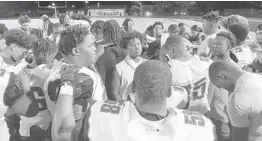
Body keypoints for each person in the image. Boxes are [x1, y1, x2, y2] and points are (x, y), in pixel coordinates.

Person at [53, 60, 216, 141]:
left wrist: (67, 86)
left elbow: (62, 132)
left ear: (132, 89)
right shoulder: (201, 127)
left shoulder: (101, 115)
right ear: (168, 92)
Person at [44, 24, 106, 121]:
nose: (94, 48)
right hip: (82, 133)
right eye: (90, 45)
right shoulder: (84, 75)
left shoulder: (55, 71)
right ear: (75, 51)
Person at [209, 60, 262, 141]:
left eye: (220, 86)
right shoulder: (259, 78)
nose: (223, 89)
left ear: (222, 77)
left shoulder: (237, 98)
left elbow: (240, 137)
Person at [16, 38, 57, 141]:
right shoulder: (52, 73)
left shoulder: (21, 73)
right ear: (47, 55)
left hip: (26, 128)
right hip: (46, 127)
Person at [0, 29, 37, 141]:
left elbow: (16, 68)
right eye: (23, 52)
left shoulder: (9, 65)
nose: (23, 56)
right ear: (13, 46)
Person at [162, 34, 212, 115]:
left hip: (182, 116)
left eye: (167, 53)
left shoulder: (170, 69)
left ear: (171, 50)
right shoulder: (206, 63)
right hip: (203, 113)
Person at [207, 31, 237, 141]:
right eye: (214, 43)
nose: (214, 46)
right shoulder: (210, 64)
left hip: (223, 123)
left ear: (228, 47)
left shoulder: (233, 69)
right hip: (207, 118)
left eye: (219, 44)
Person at [96, 19, 126, 101]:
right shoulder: (124, 49)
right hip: (123, 91)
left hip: (108, 93)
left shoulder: (101, 50)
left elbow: (101, 76)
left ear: (104, 32)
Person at [112, 31, 147, 101]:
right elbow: (114, 93)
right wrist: (123, 106)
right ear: (126, 47)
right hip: (126, 106)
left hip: (145, 107)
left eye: (138, 44)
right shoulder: (119, 68)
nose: (137, 47)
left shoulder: (148, 64)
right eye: (133, 45)